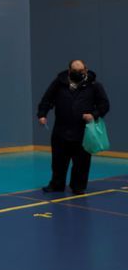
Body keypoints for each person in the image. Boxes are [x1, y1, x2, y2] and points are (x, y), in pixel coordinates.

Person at [37, 60, 110, 195]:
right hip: (61, 130)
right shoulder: (59, 83)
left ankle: (78, 186)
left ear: (86, 70)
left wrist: (94, 115)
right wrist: (42, 114)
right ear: (69, 71)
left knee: (82, 162)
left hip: (83, 131)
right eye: (75, 72)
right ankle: (56, 184)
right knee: (58, 161)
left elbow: (104, 105)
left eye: (81, 71)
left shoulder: (94, 85)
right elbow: (46, 99)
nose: (78, 74)